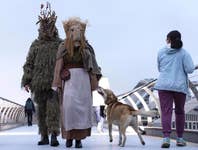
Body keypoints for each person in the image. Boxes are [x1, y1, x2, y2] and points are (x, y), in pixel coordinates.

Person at [52, 17, 102, 148]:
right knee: (69, 109)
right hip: (69, 81)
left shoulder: (87, 47)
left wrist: (95, 80)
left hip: (83, 81)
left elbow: (94, 65)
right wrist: (56, 83)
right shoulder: (63, 47)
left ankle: (79, 139)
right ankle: (69, 137)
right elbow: (58, 66)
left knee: (82, 110)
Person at [21, 3, 62, 147]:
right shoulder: (36, 45)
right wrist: (27, 80)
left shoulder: (59, 44)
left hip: (54, 83)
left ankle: (54, 136)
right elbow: (29, 64)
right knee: (41, 111)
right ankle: (44, 135)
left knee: (53, 110)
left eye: (49, 27)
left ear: (53, 28)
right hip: (38, 84)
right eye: (44, 27)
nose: (46, 30)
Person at [154, 30, 196, 148]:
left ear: (168, 39)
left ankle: (166, 138)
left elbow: (159, 68)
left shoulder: (161, 52)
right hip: (179, 86)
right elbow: (190, 69)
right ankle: (180, 139)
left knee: (166, 112)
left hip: (163, 85)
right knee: (179, 112)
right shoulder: (184, 53)